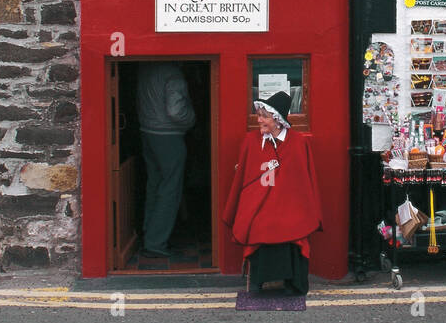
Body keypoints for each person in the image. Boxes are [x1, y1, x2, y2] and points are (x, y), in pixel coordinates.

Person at [222, 89, 323, 294]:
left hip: (292, 205)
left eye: (264, 117)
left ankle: (293, 284)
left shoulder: (298, 142)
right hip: (259, 204)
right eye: (259, 116)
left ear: (277, 120)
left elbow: (304, 181)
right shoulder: (251, 141)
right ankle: (258, 282)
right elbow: (245, 177)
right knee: (260, 223)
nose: (259, 120)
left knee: (291, 223)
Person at [136, 61, 197, 258]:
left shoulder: (145, 68)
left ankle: (148, 233)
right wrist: (193, 119)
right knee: (170, 188)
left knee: (154, 184)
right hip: (169, 135)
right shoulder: (173, 75)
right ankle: (156, 242)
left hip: (147, 131)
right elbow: (176, 111)